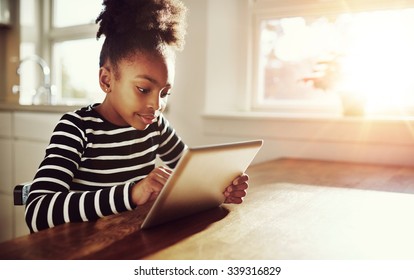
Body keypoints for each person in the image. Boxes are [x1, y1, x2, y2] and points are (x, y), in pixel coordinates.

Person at [25, 0, 249, 233]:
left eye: (165, 93)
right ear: (107, 80)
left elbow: (189, 175)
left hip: (132, 245)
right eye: (143, 89)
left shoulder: (156, 126)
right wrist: (132, 193)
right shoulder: (77, 128)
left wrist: (219, 187)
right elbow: (37, 212)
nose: (156, 104)